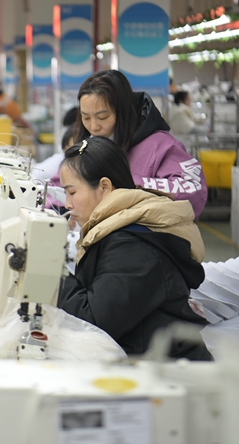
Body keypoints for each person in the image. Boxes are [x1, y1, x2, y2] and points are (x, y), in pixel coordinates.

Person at [57, 136, 211, 359]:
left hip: (170, 371)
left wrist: (53, 274)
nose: (67, 204)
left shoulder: (133, 246)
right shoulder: (116, 232)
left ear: (104, 187)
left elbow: (94, 320)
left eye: (71, 192)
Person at [70, 70, 207, 217]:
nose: (93, 126)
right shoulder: (88, 144)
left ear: (123, 112)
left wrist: (124, 185)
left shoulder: (161, 145)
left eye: (102, 117)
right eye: (86, 118)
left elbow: (193, 190)